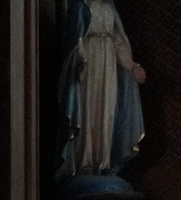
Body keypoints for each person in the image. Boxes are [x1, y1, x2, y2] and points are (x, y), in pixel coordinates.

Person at [58, 1, 146, 180]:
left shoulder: (108, 9)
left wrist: (132, 66)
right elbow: (74, 39)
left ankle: (102, 163)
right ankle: (84, 163)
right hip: (88, 66)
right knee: (88, 110)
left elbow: (118, 43)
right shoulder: (81, 7)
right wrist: (80, 57)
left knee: (106, 112)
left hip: (108, 66)